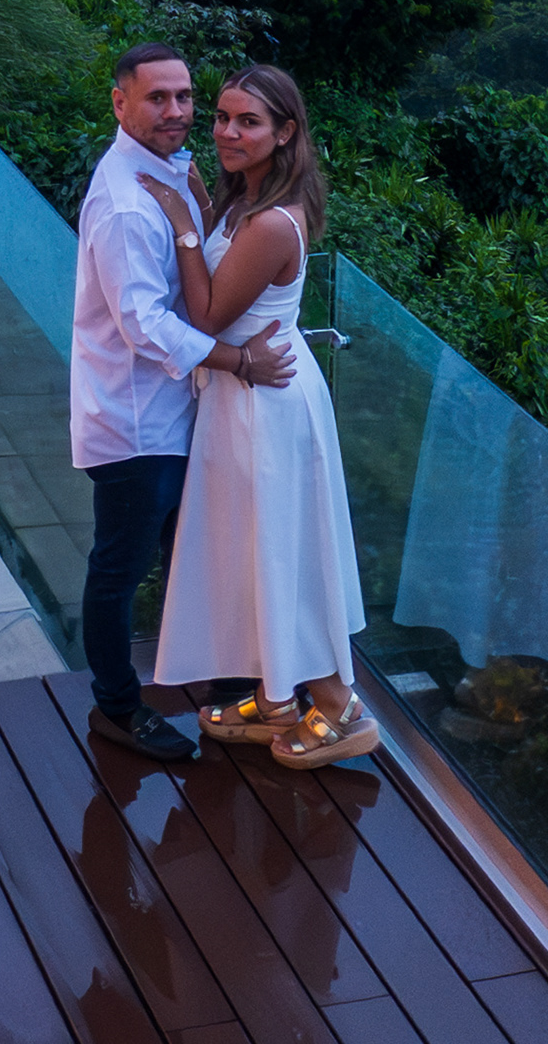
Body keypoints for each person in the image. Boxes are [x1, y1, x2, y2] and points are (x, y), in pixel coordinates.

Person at [141, 65, 380, 768]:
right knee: (251, 547)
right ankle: (276, 697)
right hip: (246, 396)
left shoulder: (274, 221)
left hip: (265, 407)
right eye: (221, 117)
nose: (226, 132)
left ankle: (341, 710)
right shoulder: (247, 201)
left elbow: (208, 312)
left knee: (281, 549)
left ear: (286, 133)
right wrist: (200, 206)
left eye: (248, 122)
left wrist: (185, 228)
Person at [72, 42, 296, 760]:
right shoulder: (126, 207)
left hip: (177, 411)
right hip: (137, 423)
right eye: (158, 98)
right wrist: (239, 360)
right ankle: (117, 706)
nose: (178, 112)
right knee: (120, 568)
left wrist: (196, 207)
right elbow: (145, 326)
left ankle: (223, 686)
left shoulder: (173, 175)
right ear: (120, 103)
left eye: (185, 98)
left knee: (190, 553)